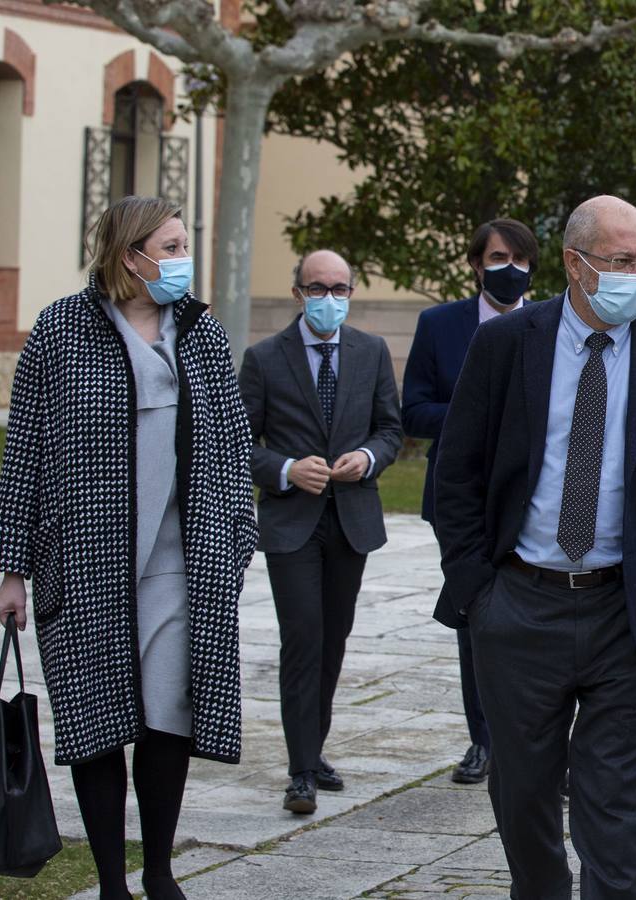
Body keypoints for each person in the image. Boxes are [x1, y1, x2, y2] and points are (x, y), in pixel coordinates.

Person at [433, 195, 636, 899]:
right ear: (574, 264)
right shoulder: (509, 343)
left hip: (623, 612)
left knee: (620, 801)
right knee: (524, 790)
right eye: (621, 260)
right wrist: (479, 590)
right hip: (519, 603)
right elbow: (456, 473)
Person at [0, 195, 257, 899]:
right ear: (127, 254)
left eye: (182, 246)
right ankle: (113, 881)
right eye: (168, 247)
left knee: (168, 718)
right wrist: (13, 570)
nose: (180, 260)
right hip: (83, 561)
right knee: (96, 722)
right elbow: (23, 454)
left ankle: (160, 871)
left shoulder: (201, 332)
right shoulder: (59, 331)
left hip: (180, 563)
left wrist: (236, 540)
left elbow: (232, 444)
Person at [238, 250, 403, 815]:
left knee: (333, 641)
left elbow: (390, 429)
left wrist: (367, 457)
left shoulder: (371, 351)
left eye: (339, 287)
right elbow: (239, 443)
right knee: (303, 640)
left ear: (352, 292)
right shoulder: (263, 358)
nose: (328, 297)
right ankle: (300, 771)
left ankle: (314, 747)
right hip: (292, 524)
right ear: (297, 292)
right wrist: (285, 469)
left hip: (351, 520)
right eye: (317, 287)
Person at [402, 218, 540, 785]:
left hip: (534, 497)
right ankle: (483, 738)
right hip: (461, 496)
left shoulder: (551, 322)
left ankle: (539, 738)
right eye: (498, 258)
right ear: (476, 263)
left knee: (540, 619)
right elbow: (413, 410)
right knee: (475, 616)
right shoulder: (440, 325)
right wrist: (476, 414)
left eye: (519, 259)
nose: (509, 269)